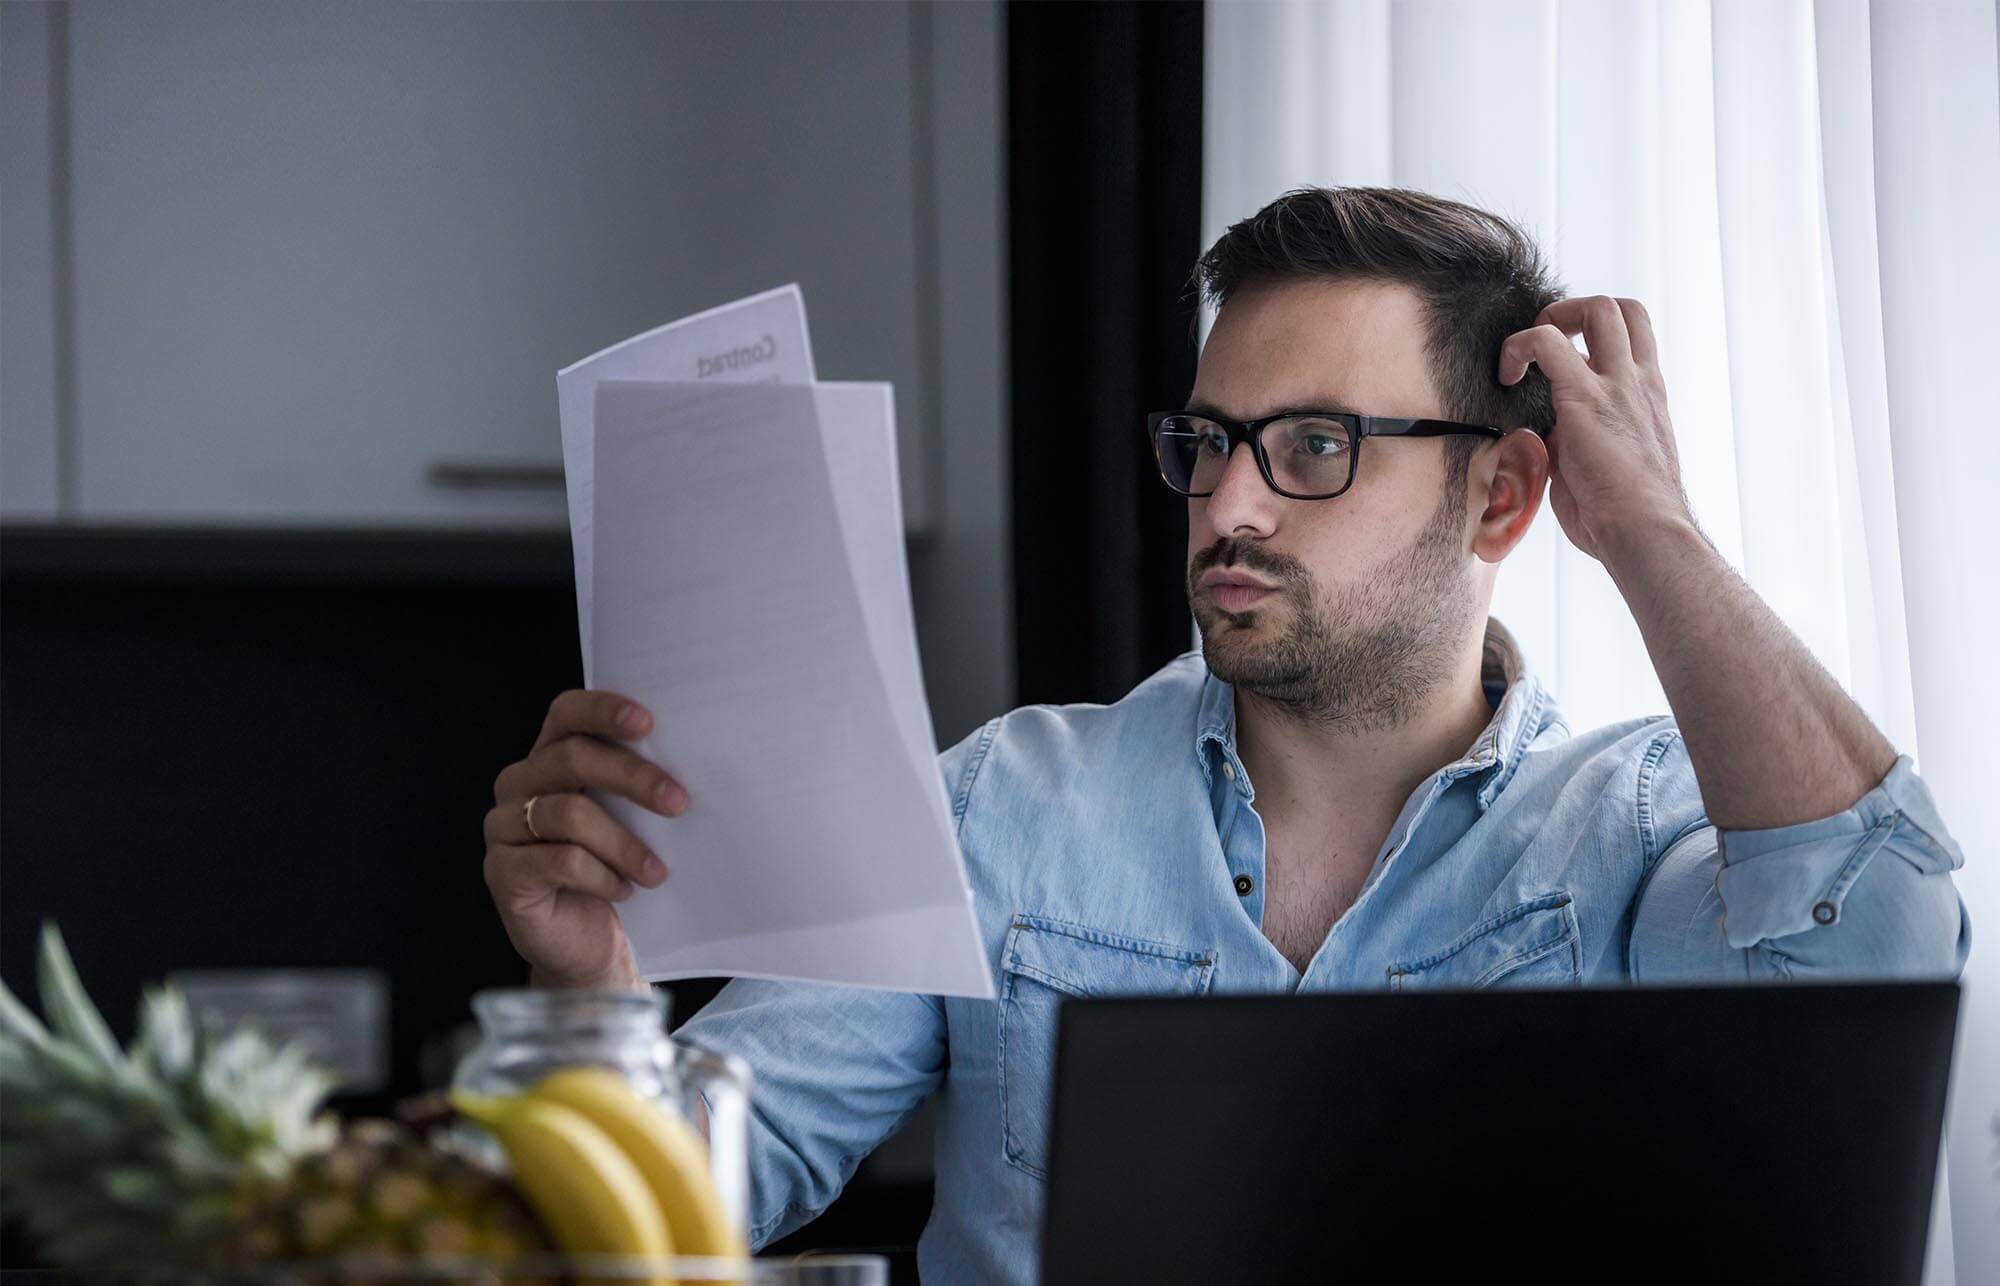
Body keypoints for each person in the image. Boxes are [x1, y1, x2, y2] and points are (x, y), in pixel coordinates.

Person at [480, 186, 1969, 1283]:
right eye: (1209, 442)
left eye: (1316, 445)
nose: (1231, 506)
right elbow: (658, 1211)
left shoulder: (1633, 832)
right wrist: (596, 996)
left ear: (1505, 496)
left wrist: (1650, 528)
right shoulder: (1002, 803)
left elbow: (1883, 953)